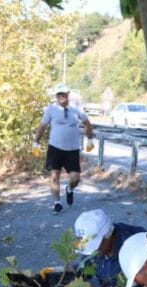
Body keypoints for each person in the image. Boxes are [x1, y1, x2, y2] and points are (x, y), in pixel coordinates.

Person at [73, 209, 147, 287]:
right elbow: (84, 268)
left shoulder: (137, 244)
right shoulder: (95, 247)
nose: (92, 253)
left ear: (108, 235)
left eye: (95, 247)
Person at [33, 84, 95, 215]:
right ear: (56, 96)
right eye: (59, 94)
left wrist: (90, 139)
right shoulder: (51, 109)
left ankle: (69, 189)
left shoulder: (76, 108)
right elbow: (42, 126)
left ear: (68, 94)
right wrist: (36, 143)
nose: (61, 96)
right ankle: (57, 203)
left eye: (64, 94)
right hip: (55, 148)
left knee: (75, 178)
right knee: (54, 176)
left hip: (72, 149)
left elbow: (87, 124)